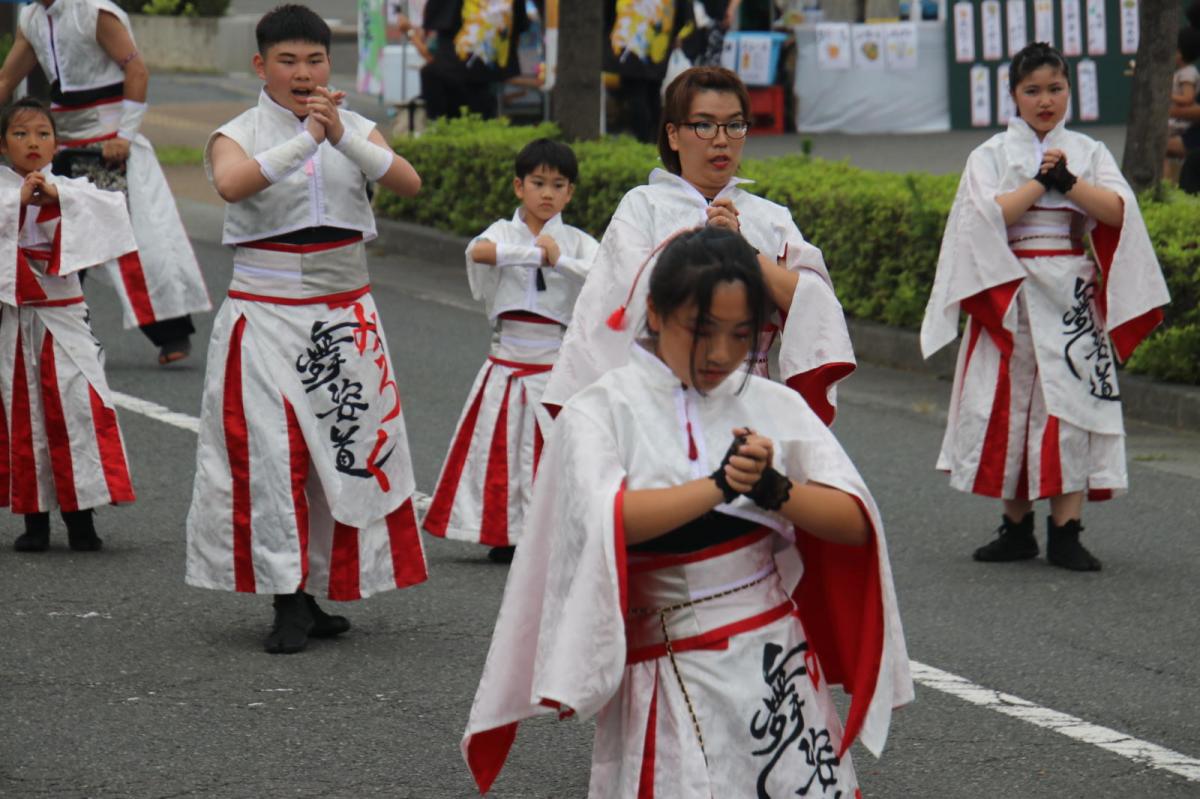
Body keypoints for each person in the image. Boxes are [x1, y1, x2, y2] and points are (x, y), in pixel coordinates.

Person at [462, 226, 911, 797]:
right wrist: (719, 486)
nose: (722, 354)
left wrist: (776, 490)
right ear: (654, 309)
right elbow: (605, 521)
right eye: (701, 331)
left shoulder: (773, 403)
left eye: (740, 334)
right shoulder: (601, 410)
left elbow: (854, 523)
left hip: (776, 664)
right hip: (667, 669)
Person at [185, 5, 427, 655]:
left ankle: (318, 589)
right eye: (287, 60)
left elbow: (407, 182)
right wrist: (308, 140)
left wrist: (343, 134)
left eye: (314, 60)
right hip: (264, 313)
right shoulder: (234, 133)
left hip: (346, 310)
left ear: (330, 64)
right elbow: (234, 185)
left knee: (341, 457)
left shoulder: (357, 129)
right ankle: (285, 597)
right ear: (260, 65)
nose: (302, 72)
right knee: (274, 456)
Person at [920, 42, 1170, 571]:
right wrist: (1039, 183)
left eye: (1055, 88)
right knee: (1010, 407)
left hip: (1071, 295)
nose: (1044, 100)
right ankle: (1016, 528)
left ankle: (1067, 529)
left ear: (1069, 92)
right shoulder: (988, 156)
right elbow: (983, 220)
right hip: (1008, 289)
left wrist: (1070, 183)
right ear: (1013, 95)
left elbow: (1119, 213)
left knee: (1073, 410)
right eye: (1032, 90)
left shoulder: (1089, 151)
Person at [543, 66, 855, 426]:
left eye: (735, 125)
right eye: (704, 125)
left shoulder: (770, 218)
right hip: (662, 399)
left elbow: (813, 304)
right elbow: (620, 304)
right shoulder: (643, 206)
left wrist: (744, 252)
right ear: (673, 135)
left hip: (751, 397)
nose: (721, 140)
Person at [0, 0, 211, 366]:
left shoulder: (95, 12)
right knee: (57, 234)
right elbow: (6, 80)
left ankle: (172, 334)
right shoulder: (32, 17)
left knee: (132, 240)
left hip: (109, 142)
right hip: (61, 141)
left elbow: (138, 71)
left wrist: (125, 135)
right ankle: (64, 328)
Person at [423, 138, 598, 564]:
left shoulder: (576, 242)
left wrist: (560, 261)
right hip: (506, 359)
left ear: (570, 193)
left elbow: (602, 277)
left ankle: (554, 534)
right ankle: (504, 531)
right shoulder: (503, 232)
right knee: (498, 450)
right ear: (519, 187)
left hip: (556, 362)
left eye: (558, 185)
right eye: (538, 183)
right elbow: (478, 252)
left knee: (553, 451)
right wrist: (535, 253)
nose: (547, 193)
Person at [0, 97, 139, 552]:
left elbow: (112, 213)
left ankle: (83, 517)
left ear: (58, 144)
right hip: (17, 324)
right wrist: (14, 206)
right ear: (3, 145)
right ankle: (34, 520)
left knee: (78, 413)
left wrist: (59, 198)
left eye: (43, 134)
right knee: (26, 418)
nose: (33, 143)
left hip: (64, 318)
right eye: (20, 134)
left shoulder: (73, 188)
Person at [418, 0, 529, 120]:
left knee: (444, 128)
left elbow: (430, 23)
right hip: (487, 73)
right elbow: (517, 28)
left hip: (448, 72)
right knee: (481, 125)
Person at [605, 0, 694, 143]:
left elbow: (608, 12)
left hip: (629, 48)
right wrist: (674, 34)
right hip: (657, 47)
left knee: (637, 96)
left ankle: (645, 141)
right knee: (652, 96)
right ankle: (657, 140)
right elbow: (685, 17)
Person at [1164, 27, 1200, 182]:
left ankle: (1165, 185)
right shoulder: (1181, 73)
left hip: (1183, 126)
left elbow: (1188, 98)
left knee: (1156, 146)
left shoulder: (1188, 74)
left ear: (1179, 53)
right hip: (1183, 125)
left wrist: (1166, 99)